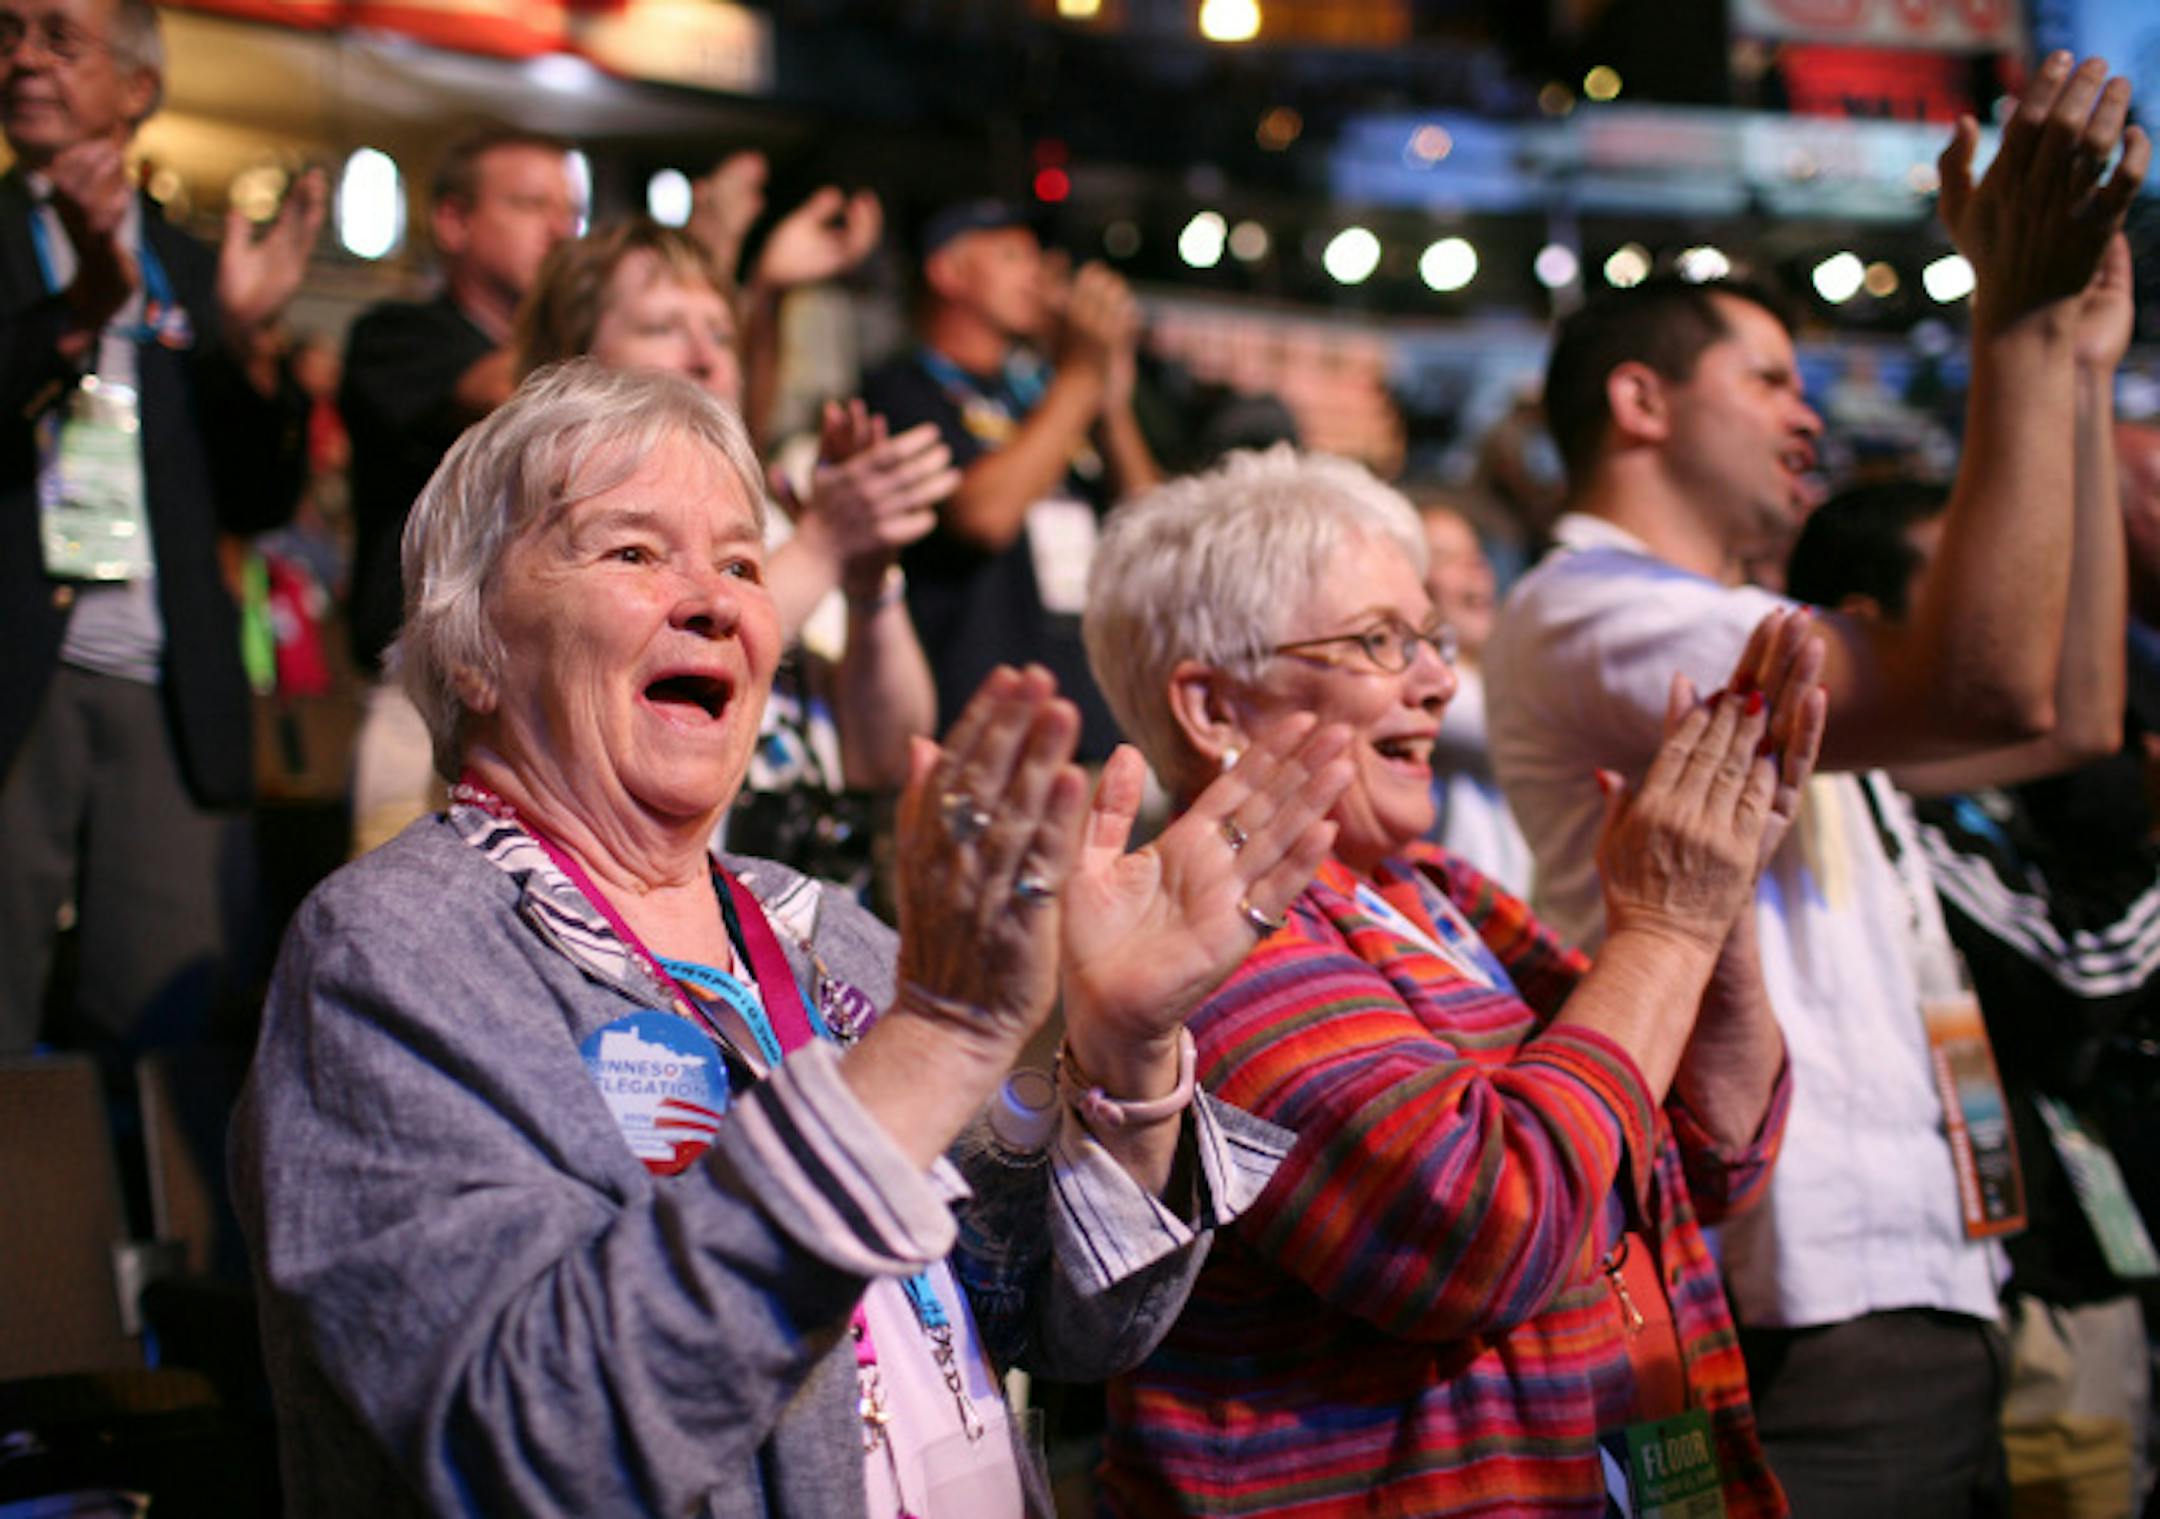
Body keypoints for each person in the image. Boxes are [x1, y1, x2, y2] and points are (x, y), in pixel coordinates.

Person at [231, 361, 1355, 1518]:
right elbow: (530, 1443)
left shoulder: (821, 932)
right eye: (631, 552)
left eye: (742, 562)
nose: (713, 600)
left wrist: (1123, 1048)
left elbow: (1071, 1319)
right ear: (469, 648)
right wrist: (931, 1046)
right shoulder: (398, 952)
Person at [1485, 55, 2147, 1515]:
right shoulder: (1592, 606)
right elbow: (1978, 684)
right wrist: (2011, 324)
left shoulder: (1733, 625)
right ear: (1640, 397)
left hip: (1918, 1282)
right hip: (1784, 1310)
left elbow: (2070, 709)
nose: (1809, 417)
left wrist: (2078, 368)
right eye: (1770, 377)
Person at [1081, 445, 1828, 1516]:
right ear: (1213, 707)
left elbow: (1711, 1156)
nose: (1437, 676)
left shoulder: (1445, 894)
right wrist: (1664, 928)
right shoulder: (1209, 948)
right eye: (1380, 641)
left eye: (1430, 637)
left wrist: (1715, 924)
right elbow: (1482, 1228)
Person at [1788, 480, 2160, 1519]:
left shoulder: (1971, 784)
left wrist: (2080, 372)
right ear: (1864, 623)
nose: (2011, 601)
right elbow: (2084, 970)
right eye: (1968, 579)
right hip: (1994, 1296)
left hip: (2033, 1272)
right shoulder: (1859, 788)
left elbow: (2083, 721)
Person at [0, 0, 320, 1061]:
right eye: (7, 34)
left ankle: (140, 1234)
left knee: (164, 1025)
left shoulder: (195, 265)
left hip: (168, 688)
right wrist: (82, 302)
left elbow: (262, 500)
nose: (23, 60)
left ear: (139, 87)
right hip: (19, 677)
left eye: (58, 37)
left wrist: (254, 343)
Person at [516, 217, 946, 884]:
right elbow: (684, 639)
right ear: (573, 359)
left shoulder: (777, 523)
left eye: (722, 333)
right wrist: (828, 545)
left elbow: (886, 756)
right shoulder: (540, 518)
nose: (705, 357)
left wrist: (868, 580)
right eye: (663, 328)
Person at [340, 125, 579, 854]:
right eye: (532, 204)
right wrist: (610, 295)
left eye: (572, 212)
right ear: (453, 221)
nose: (561, 231)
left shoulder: (583, 354)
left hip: (551, 706)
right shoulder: (400, 335)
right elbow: (503, 395)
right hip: (426, 704)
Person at [863, 201, 1158, 757]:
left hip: (1090, 728)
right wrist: (1080, 376)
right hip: (978, 738)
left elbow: (1154, 532)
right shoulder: (904, 389)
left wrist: (1109, 399)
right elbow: (982, 516)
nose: (1037, 274)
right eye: (1010, 255)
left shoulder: (1043, 397)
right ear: (947, 273)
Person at [1417, 495, 1535, 896]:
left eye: (1476, 552)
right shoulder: (1428, 687)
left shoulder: (1495, 681)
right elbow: (1519, 732)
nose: (1477, 566)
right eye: (1445, 556)